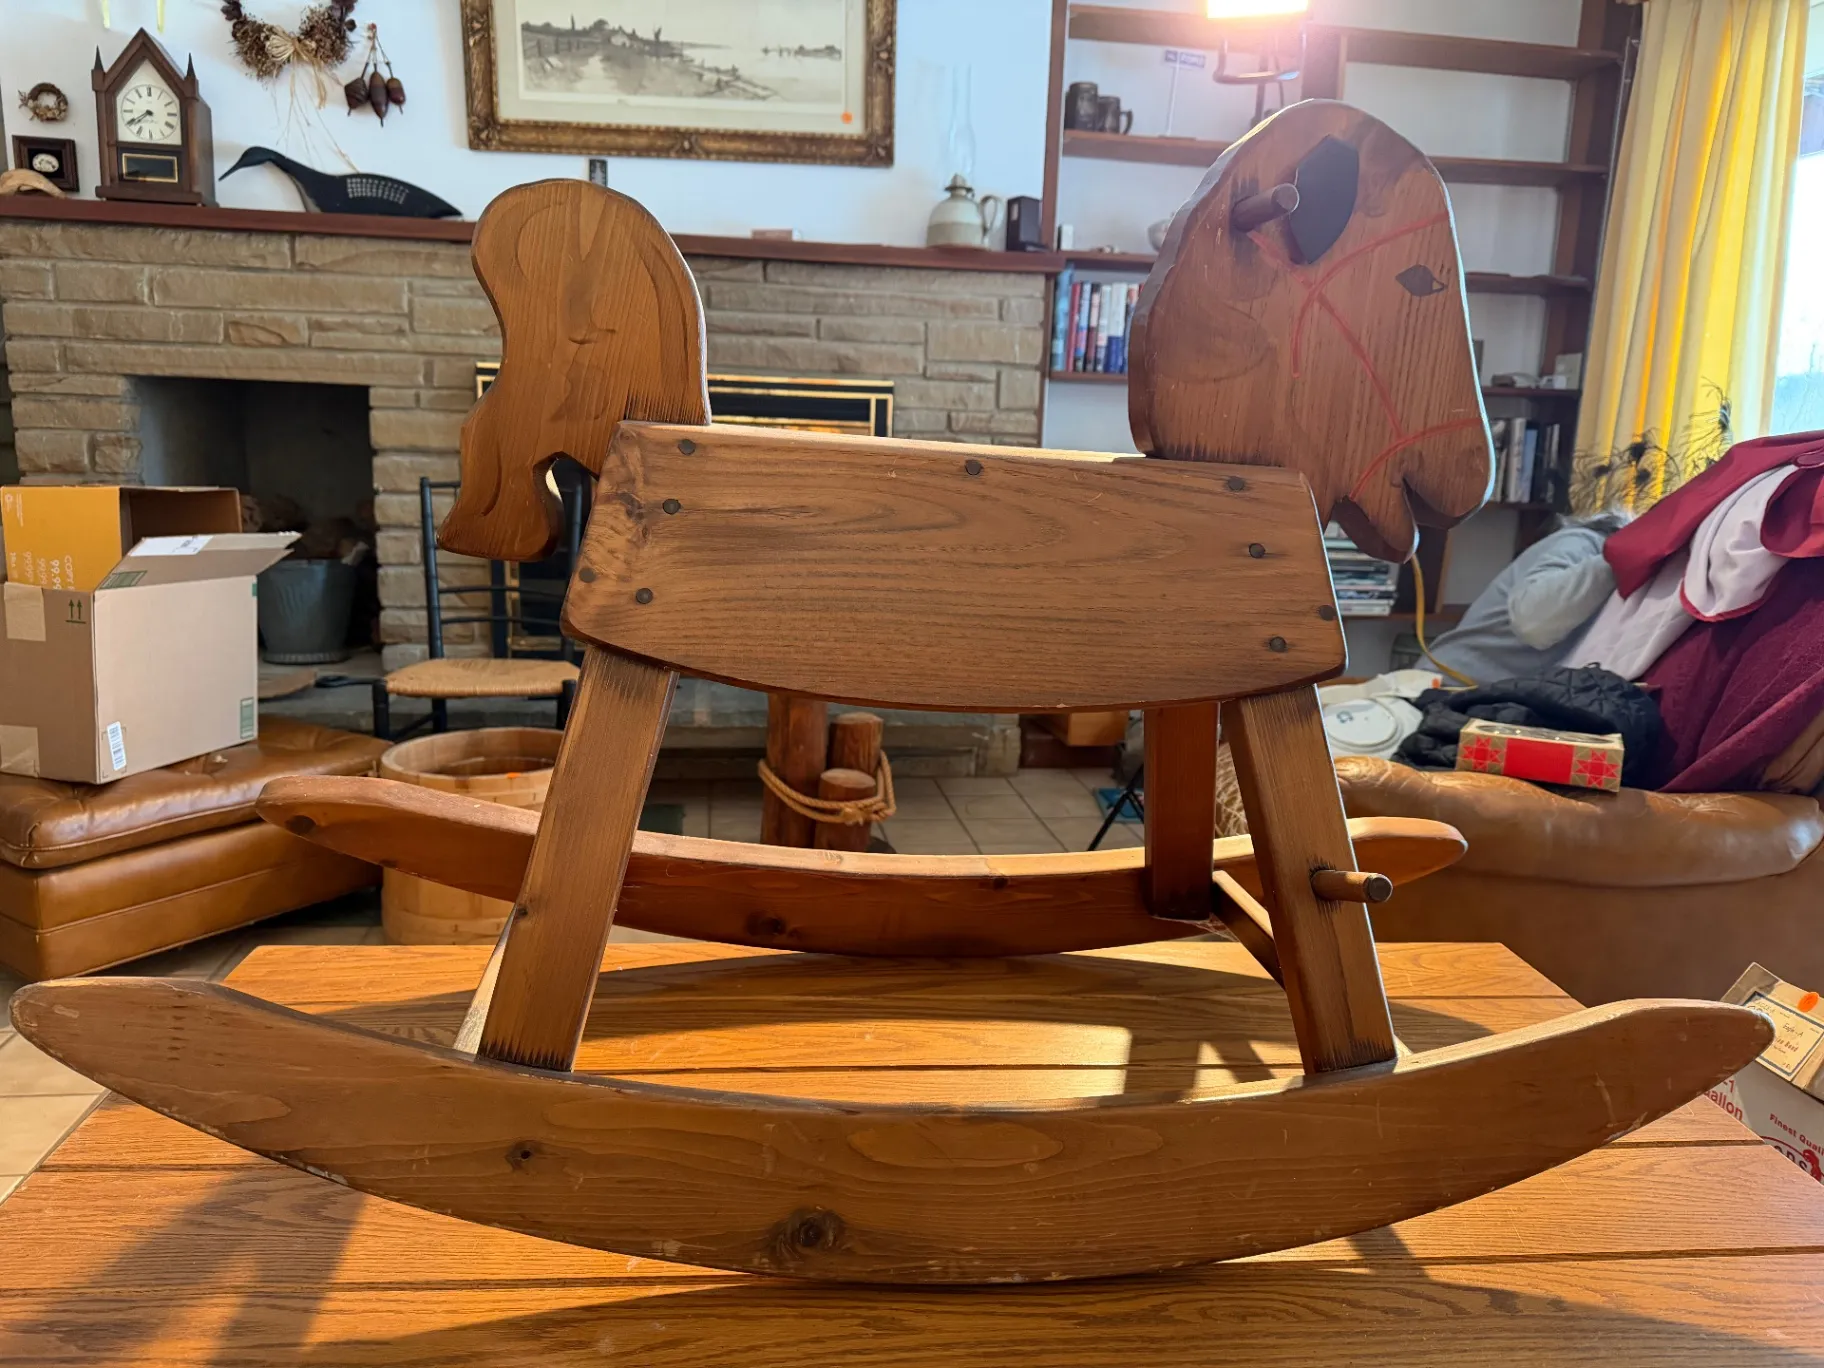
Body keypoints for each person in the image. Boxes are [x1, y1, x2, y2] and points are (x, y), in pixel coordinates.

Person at [1421, 515, 1625, 685]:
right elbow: (1533, 624)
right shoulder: (1583, 542)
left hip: (1501, 705)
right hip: (1444, 688)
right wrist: (1621, 557)